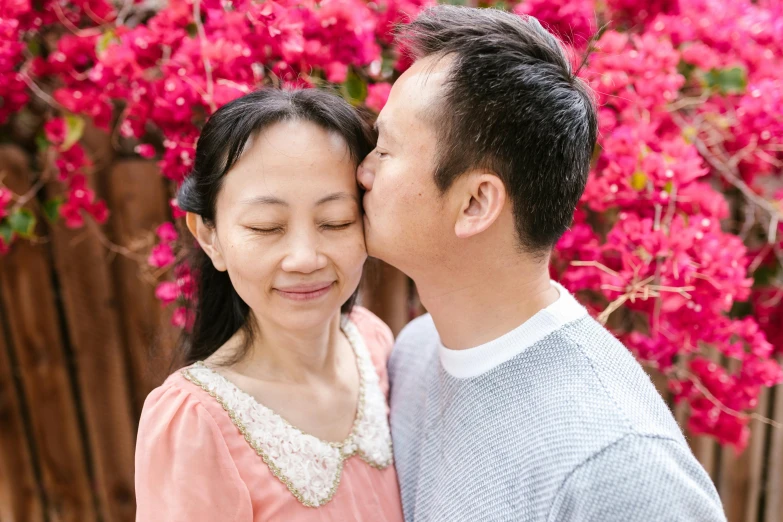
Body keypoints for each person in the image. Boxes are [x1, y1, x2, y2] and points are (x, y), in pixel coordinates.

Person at [357, 6, 727, 521]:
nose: (363, 170)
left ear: (475, 204)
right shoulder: (417, 355)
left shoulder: (619, 464)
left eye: (386, 151)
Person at [134, 88, 404, 521]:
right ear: (210, 236)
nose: (305, 259)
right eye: (266, 227)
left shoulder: (373, 344)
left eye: (336, 221)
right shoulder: (196, 422)